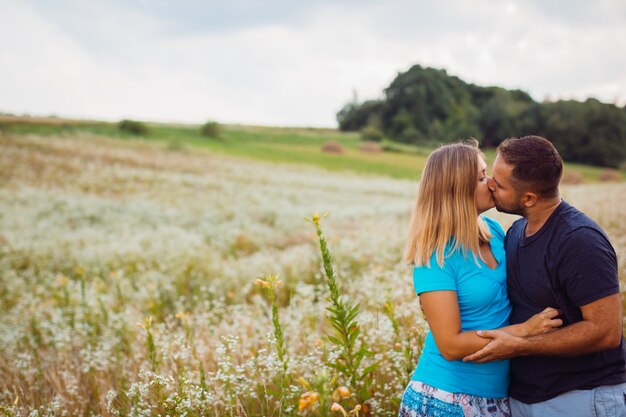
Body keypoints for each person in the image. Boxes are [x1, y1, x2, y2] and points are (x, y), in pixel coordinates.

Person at [463, 135, 626, 417]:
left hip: (580, 398)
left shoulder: (579, 240)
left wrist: (522, 345)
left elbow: (607, 332)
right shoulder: (514, 232)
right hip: (524, 398)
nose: (490, 184)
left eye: (499, 185)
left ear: (529, 198)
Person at [399, 140, 562, 417]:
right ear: (456, 191)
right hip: (445, 398)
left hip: (497, 397)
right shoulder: (435, 257)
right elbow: (450, 345)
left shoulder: (495, 232)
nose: (491, 183)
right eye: (480, 177)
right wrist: (525, 331)